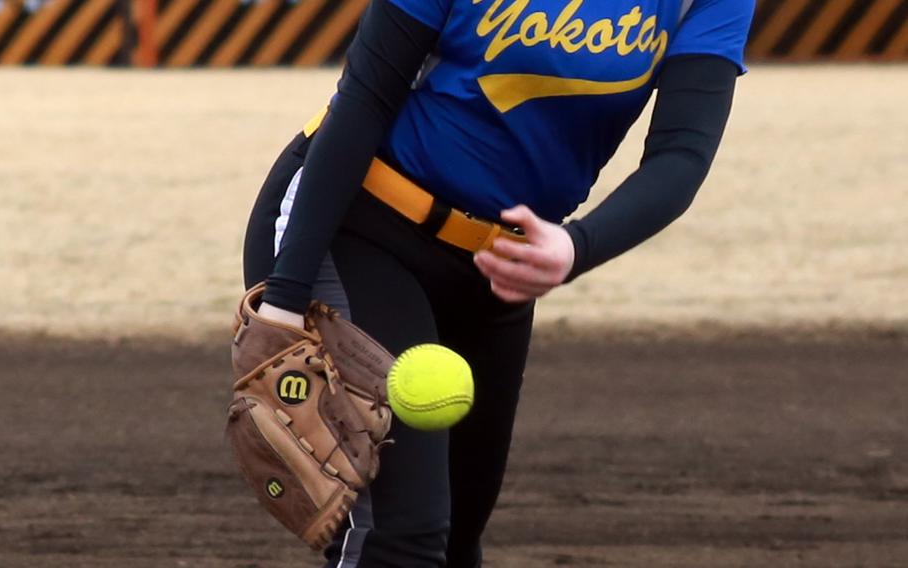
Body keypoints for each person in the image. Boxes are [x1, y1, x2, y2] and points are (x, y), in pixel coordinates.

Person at [241, 0, 755, 565]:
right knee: (401, 534)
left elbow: (681, 153)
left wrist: (576, 246)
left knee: (458, 537)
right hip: (356, 224)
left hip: (500, 267)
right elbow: (365, 96)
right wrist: (284, 302)